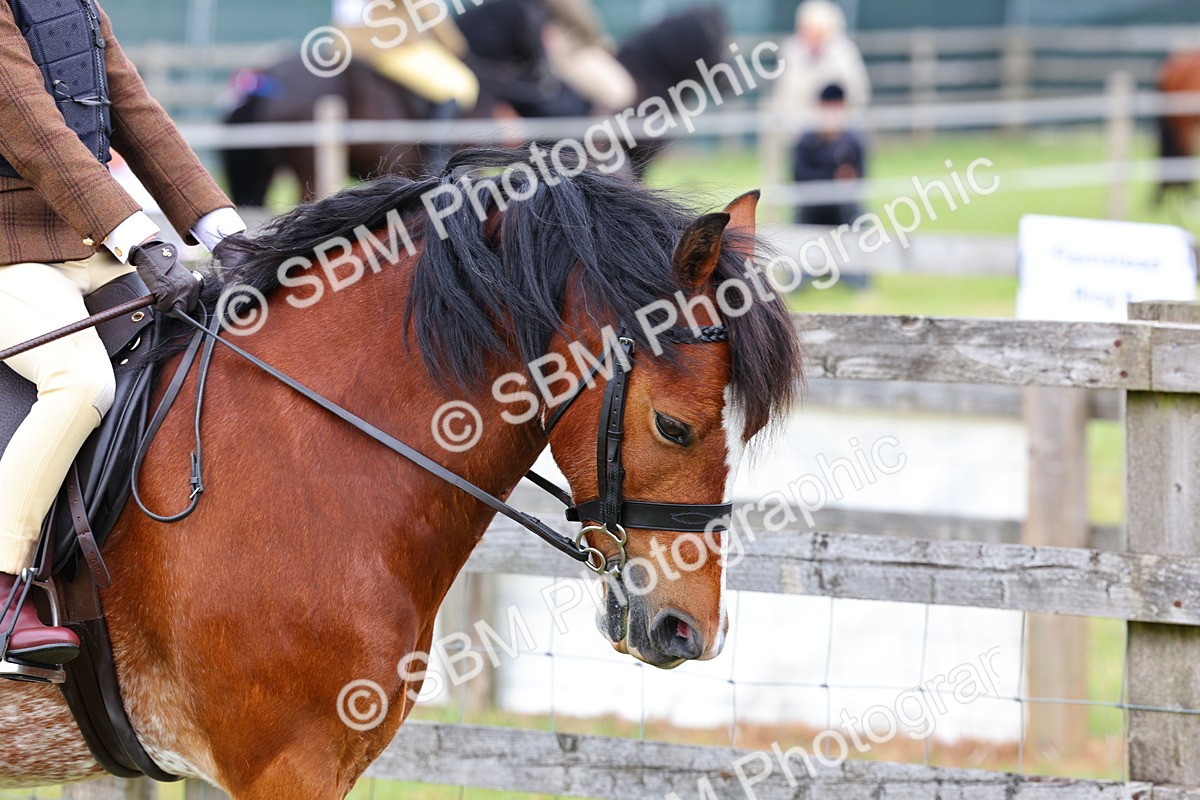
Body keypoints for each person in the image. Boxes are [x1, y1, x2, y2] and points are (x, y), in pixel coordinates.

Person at [0, 0, 246, 669]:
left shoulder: (75, 5)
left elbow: (137, 115)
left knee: (209, 353)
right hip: (8, 252)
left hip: (86, 243)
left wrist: (223, 231)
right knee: (80, 381)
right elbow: (35, 132)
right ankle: (2, 585)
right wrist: (140, 239)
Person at [769, 0, 871, 119]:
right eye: (807, 29)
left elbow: (857, 92)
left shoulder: (844, 52)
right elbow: (784, 94)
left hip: (839, 127)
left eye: (817, 31)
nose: (811, 36)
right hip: (798, 125)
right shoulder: (791, 50)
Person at [792, 83, 865, 227]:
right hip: (811, 206)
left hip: (843, 207)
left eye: (836, 107)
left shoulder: (853, 141)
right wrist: (833, 177)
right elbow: (799, 177)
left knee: (858, 216)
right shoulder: (806, 141)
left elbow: (860, 177)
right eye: (828, 107)